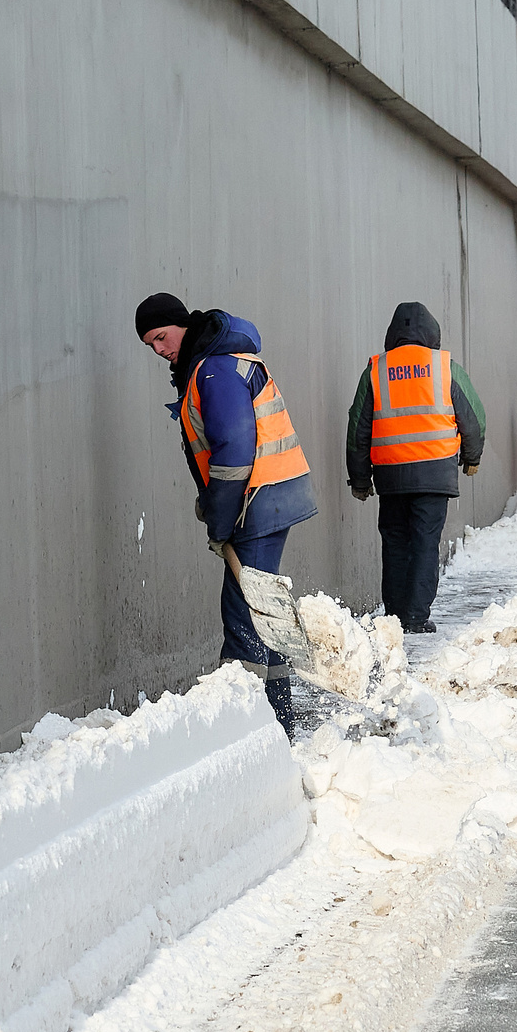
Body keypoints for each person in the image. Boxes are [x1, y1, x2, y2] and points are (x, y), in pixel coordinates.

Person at [135, 292, 318, 735]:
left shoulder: (213, 369)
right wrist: (212, 504)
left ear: (181, 324)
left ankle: (246, 732)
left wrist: (219, 517)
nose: (160, 350)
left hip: (257, 500)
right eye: (150, 345)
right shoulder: (216, 363)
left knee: (243, 618)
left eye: (161, 336)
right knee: (262, 612)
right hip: (268, 497)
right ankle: (279, 725)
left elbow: (234, 453)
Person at [345, 301, 485, 634]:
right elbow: (473, 418)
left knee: (395, 543)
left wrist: (360, 479)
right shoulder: (445, 366)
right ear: (432, 331)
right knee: (424, 544)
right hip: (435, 473)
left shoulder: (376, 370)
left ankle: (394, 617)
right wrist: (472, 457)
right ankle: (417, 617)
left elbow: (357, 428)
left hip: (392, 476)